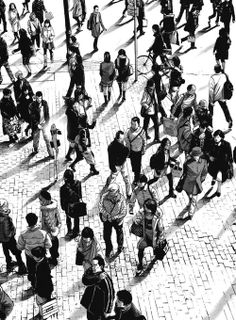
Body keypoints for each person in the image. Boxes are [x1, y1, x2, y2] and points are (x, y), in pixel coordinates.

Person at [17, 213, 52, 289]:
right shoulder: (43, 233)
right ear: (36, 221)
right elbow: (49, 245)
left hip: (30, 256)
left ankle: (34, 285)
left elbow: (20, 247)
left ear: (27, 221)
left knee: (31, 271)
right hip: (41, 255)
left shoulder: (23, 234)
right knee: (44, 270)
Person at [132, 199, 164, 275]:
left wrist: (160, 238)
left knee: (156, 250)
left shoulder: (157, 216)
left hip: (154, 238)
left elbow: (161, 228)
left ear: (150, 209)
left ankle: (155, 257)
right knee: (140, 248)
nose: (144, 208)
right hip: (145, 237)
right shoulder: (142, 213)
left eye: (146, 207)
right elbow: (135, 218)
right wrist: (136, 220)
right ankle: (140, 265)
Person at [177, 146, 208, 219]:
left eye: (197, 155)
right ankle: (190, 204)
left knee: (193, 199)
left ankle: (190, 214)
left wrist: (200, 181)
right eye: (195, 156)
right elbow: (184, 173)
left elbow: (204, 173)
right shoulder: (187, 163)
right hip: (188, 183)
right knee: (190, 197)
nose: (196, 157)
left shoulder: (203, 162)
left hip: (196, 184)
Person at [81, 255, 115, 320]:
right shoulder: (90, 272)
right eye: (92, 265)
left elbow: (110, 295)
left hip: (99, 308)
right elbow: (85, 280)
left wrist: (107, 311)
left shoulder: (105, 279)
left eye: (95, 265)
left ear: (101, 266)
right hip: (90, 305)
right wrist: (97, 278)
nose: (93, 267)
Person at [99, 183, 127, 260]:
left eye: (113, 194)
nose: (111, 195)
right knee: (106, 236)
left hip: (117, 221)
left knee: (119, 234)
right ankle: (109, 249)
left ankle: (120, 247)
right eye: (110, 193)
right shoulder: (104, 197)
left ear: (117, 192)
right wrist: (107, 215)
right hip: (107, 219)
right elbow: (100, 207)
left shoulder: (122, 199)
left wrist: (116, 217)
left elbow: (124, 211)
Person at [69, 105, 99, 175]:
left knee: (79, 157)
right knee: (91, 157)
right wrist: (85, 149)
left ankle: (72, 165)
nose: (88, 121)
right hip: (83, 147)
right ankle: (93, 169)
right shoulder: (82, 130)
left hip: (79, 146)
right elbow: (82, 141)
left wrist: (94, 121)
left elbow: (91, 127)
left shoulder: (84, 125)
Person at [0, 199, 27, 275]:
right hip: (9, 239)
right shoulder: (6, 219)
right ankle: (22, 268)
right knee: (17, 252)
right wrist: (13, 231)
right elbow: (8, 233)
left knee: (6, 251)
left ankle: (9, 264)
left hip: (2, 239)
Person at [39, 189, 61, 266]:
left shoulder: (44, 210)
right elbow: (58, 218)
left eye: (41, 200)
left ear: (47, 200)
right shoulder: (54, 207)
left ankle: (54, 260)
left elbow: (45, 222)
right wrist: (57, 228)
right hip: (54, 230)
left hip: (50, 231)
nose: (40, 202)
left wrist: (51, 231)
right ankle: (56, 255)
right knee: (55, 243)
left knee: (51, 245)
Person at [208, 130, 233, 197]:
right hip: (213, 164)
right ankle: (213, 178)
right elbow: (206, 151)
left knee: (219, 178)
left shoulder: (227, 144)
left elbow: (230, 155)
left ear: (221, 137)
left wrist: (230, 164)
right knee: (214, 174)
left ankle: (219, 190)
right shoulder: (211, 142)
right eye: (215, 137)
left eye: (218, 137)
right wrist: (209, 156)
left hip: (222, 164)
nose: (216, 138)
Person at [29, 91, 54, 158]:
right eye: (37, 98)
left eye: (39, 98)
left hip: (44, 124)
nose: (38, 100)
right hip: (36, 125)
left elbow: (47, 114)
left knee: (47, 139)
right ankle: (35, 149)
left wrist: (46, 123)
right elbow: (32, 117)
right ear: (35, 98)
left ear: (42, 97)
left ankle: (51, 153)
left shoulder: (45, 103)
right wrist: (37, 125)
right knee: (36, 139)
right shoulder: (32, 105)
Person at [107, 130, 132, 199]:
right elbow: (111, 159)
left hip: (121, 164)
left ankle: (128, 192)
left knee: (126, 179)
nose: (124, 140)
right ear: (118, 139)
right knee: (114, 180)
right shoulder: (114, 147)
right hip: (116, 166)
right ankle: (111, 192)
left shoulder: (112, 146)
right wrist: (113, 168)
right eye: (122, 139)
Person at [31, 246, 53, 320]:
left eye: (34, 256)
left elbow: (43, 281)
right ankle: (41, 314)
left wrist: (37, 289)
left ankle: (43, 316)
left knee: (43, 304)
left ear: (38, 257)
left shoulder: (43, 266)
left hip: (43, 290)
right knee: (41, 303)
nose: (33, 257)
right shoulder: (42, 262)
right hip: (42, 289)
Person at [60, 169, 82, 239]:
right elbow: (80, 194)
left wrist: (63, 207)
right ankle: (76, 231)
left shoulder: (63, 188)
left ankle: (69, 230)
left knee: (68, 218)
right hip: (76, 204)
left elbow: (62, 198)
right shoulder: (78, 183)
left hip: (68, 206)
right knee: (77, 218)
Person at [209, 64, 233, 129]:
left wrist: (211, 100)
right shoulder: (224, 75)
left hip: (214, 96)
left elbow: (211, 90)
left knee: (210, 111)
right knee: (225, 109)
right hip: (222, 96)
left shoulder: (212, 77)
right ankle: (229, 120)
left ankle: (210, 125)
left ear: (214, 70)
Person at [125, 117, 146, 185]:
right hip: (132, 151)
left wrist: (143, 149)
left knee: (138, 165)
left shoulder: (142, 131)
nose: (133, 125)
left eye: (135, 124)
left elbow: (144, 141)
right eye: (132, 124)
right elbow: (126, 140)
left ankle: (136, 178)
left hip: (139, 151)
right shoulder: (128, 131)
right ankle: (135, 173)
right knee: (133, 164)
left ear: (138, 124)